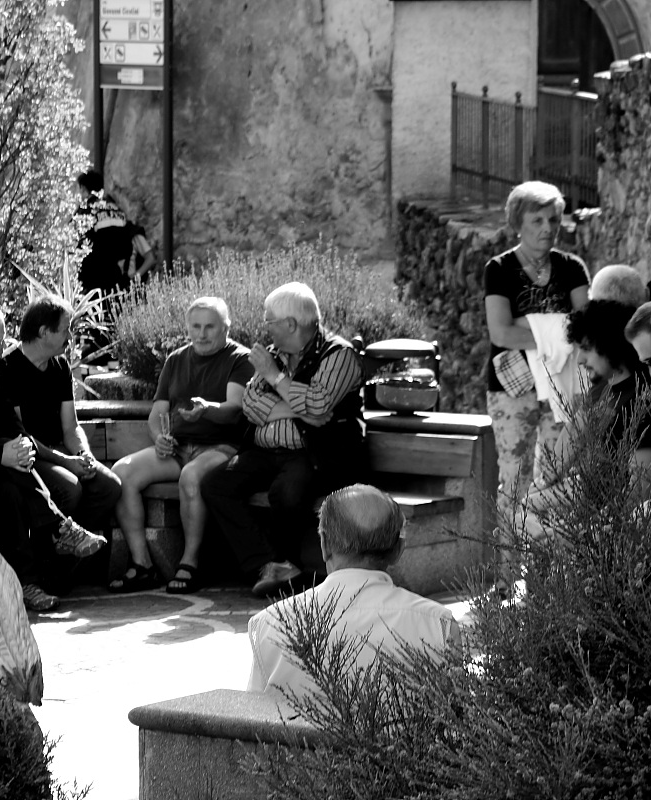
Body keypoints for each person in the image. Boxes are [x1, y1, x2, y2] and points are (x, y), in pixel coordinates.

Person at [200, 282, 365, 597]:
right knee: (215, 485)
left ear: (291, 324)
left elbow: (319, 405)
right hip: (264, 450)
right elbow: (251, 405)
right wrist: (300, 410)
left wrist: (277, 379)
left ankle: (286, 562)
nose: (265, 329)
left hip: (316, 452)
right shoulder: (275, 353)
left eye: (269, 321)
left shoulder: (338, 354)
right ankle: (266, 564)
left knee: (286, 492)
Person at [247, 484, 461, 705]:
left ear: (324, 544)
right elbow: (457, 722)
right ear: (398, 550)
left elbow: (251, 722)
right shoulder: (439, 625)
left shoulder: (269, 623)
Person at [0, 305, 107, 612]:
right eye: (1, 339)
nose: (6, 344)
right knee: (28, 488)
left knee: (13, 491)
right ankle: (60, 529)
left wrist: (21, 444)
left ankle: (32, 582)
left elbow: (9, 421)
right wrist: (2, 453)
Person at [109, 297, 254, 594]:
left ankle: (189, 563)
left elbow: (234, 409)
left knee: (191, 476)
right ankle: (142, 564)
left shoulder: (241, 358)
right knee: (121, 473)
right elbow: (157, 413)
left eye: (210, 327)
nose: (202, 334)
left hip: (222, 447)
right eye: (196, 326)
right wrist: (158, 437)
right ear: (187, 327)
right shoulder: (176, 359)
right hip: (177, 447)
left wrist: (206, 409)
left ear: (226, 328)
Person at [484, 181, 589, 518]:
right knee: (514, 481)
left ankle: (549, 571)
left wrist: (527, 326)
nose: (548, 228)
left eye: (553, 220)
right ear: (518, 223)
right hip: (512, 388)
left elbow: (584, 327)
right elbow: (501, 332)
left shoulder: (572, 268)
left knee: (558, 479)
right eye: (538, 220)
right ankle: (508, 570)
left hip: (562, 387)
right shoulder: (499, 270)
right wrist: (559, 330)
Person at [0, 295, 122, 544]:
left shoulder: (60, 366)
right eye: (66, 330)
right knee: (70, 487)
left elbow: (71, 426)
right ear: (44, 332)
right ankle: (58, 551)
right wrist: (67, 462)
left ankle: (68, 546)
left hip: (61, 449)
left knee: (110, 485)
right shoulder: (7, 368)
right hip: (31, 456)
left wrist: (84, 455)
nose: (70, 338)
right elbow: (21, 436)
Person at [530, 300, 651, 519]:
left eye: (586, 349)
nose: (579, 360)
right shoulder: (602, 390)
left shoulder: (640, 399)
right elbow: (564, 451)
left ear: (610, 344)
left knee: (529, 512)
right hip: (591, 490)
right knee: (527, 506)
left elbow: (638, 490)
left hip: (613, 508)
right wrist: (541, 486)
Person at [75, 170, 133, 301]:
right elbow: (127, 248)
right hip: (114, 279)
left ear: (84, 189)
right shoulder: (116, 210)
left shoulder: (85, 211)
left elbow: (75, 247)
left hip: (91, 284)